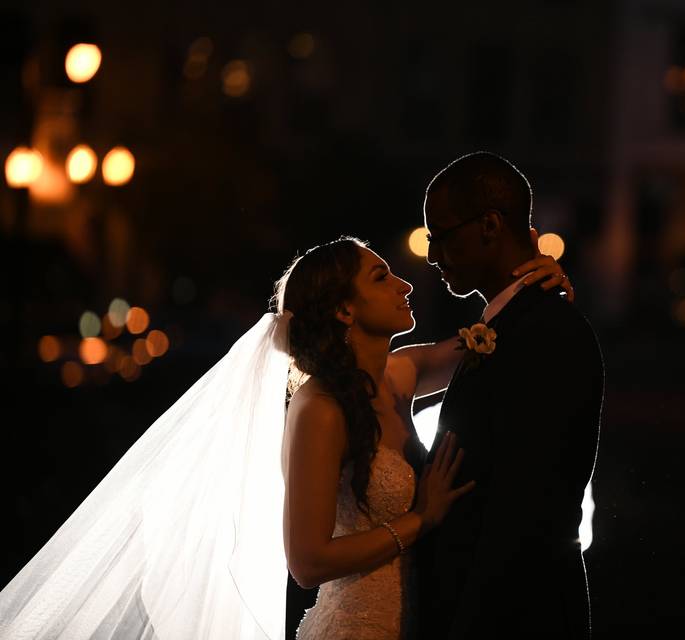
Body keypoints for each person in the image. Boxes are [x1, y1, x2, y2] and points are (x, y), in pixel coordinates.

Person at [0, 234, 572, 640]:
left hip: (419, 623)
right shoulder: (320, 409)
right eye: (381, 276)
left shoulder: (400, 374)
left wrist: (541, 287)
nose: (404, 282)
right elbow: (306, 559)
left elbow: (490, 345)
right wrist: (419, 520)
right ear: (345, 311)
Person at [416, 151, 604, 639]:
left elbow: (529, 510)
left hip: (513, 619)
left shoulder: (547, 332)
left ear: (490, 225)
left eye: (441, 235)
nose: (433, 254)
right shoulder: (510, 326)